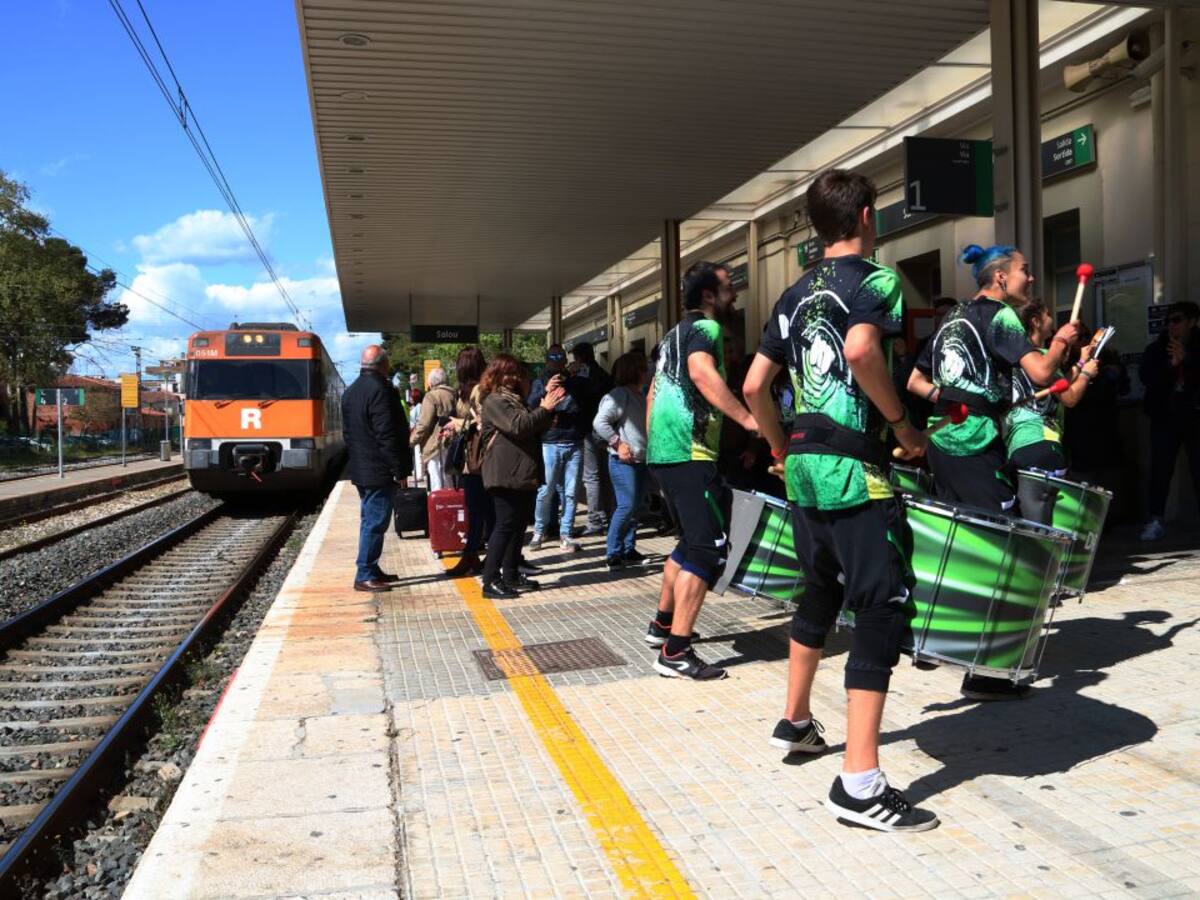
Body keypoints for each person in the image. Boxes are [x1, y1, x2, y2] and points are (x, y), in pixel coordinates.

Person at [743, 167, 937, 833]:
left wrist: (778, 447)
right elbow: (860, 351)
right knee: (880, 608)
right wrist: (905, 427)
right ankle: (859, 783)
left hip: (802, 471)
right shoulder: (876, 280)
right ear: (863, 218)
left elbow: (753, 386)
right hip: (860, 475)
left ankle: (795, 721)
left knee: (819, 592)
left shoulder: (792, 295)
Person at [907, 244, 1078, 701]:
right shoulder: (999, 317)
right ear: (1000, 278)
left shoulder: (954, 319)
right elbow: (1041, 372)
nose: (1031, 279)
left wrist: (954, 396)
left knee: (956, 543)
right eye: (1025, 271)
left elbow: (915, 382)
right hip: (974, 442)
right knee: (993, 550)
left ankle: (933, 640)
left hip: (942, 438)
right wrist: (1061, 339)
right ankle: (981, 673)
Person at [645, 260, 758, 681]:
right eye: (729, 288)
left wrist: (653, 448)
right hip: (689, 454)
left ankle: (661, 625)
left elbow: (654, 391)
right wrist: (747, 420)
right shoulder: (706, 330)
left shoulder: (671, 336)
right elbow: (700, 373)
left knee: (690, 544)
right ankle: (676, 651)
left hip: (665, 455)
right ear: (709, 296)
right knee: (709, 551)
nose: (735, 295)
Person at [478, 354, 565, 598]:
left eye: (517, 373)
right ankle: (490, 580)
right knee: (504, 526)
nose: (513, 378)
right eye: (508, 373)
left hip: (521, 474)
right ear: (495, 375)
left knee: (517, 526)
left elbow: (531, 423)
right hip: (504, 474)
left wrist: (546, 410)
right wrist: (544, 408)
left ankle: (511, 573)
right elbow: (518, 426)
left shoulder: (516, 400)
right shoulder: (495, 401)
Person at [1004, 301, 1099, 524]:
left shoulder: (1013, 358)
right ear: (1035, 322)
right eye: (1047, 315)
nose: (1051, 321)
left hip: (1016, 447)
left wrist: (1081, 362)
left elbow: (1056, 386)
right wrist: (1086, 374)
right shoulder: (1044, 358)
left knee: (1030, 527)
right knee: (1044, 534)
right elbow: (1070, 398)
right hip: (1043, 444)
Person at [341, 345, 411, 592]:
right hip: (379, 470)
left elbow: (349, 435)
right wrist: (399, 470)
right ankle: (365, 573)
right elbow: (387, 435)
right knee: (375, 522)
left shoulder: (350, 392)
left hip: (361, 469)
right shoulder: (381, 390)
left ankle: (371, 567)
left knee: (368, 519)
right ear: (384, 365)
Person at [1139, 300, 1200, 540]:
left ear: (1192, 322)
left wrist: (1188, 360)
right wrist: (1171, 365)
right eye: (1168, 321)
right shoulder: (1156, 349)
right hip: (1166, 417)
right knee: (1161, 470)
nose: (1171, 326)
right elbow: (1147, 378)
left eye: (1177, 320)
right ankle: (1156, 519)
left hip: (1195, 417)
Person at [527, 344, 587, 552]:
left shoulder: (576, 380)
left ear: (565, 359)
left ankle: (566, 534)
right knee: (546, 491)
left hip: (574, 442)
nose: (556, 360)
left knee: (571, 493)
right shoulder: (539, 382)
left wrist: (577, 376)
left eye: (560, 356)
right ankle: (539, 532)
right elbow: (530, 405)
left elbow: (588, 400)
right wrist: (546, 390)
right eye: (552, 357)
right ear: (546, 361)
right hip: (550, 443)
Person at [593, 352, 649, 568]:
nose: (647, 372)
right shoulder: (619, 394)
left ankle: (627, 548)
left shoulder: (640, 394)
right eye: (644, 369)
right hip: (623, 461)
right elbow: (600, 422)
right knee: (626, 506)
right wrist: (618, 443)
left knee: (634, 507)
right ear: (634, 371)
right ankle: (613, 553)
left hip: (640, 460)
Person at [443, 346, 493, 577]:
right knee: (479, 509)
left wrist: (458, 424)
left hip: (480, 459)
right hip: (471, 459)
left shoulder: (478, 391)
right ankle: (476, 555)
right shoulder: (465, 391)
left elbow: (485, 421)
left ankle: (474, 556)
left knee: (480, 510)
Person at [572, 341, 615, 535]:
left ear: (578, 358)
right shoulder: (604, 375)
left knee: (591, 476)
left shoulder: (580, 377)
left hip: (589, 430)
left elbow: (576, 397)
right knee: (606, 475)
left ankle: (595, 521)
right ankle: (610, 517)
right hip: (607, 430)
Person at [409, 367, 456, 491]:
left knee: (438, 485)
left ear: (431, 382)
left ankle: (439, 510)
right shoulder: (454, 394)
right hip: (453, 443)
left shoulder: (431, 396)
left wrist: (412, 440)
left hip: (436, 445)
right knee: (450, 484)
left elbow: (424, 424)